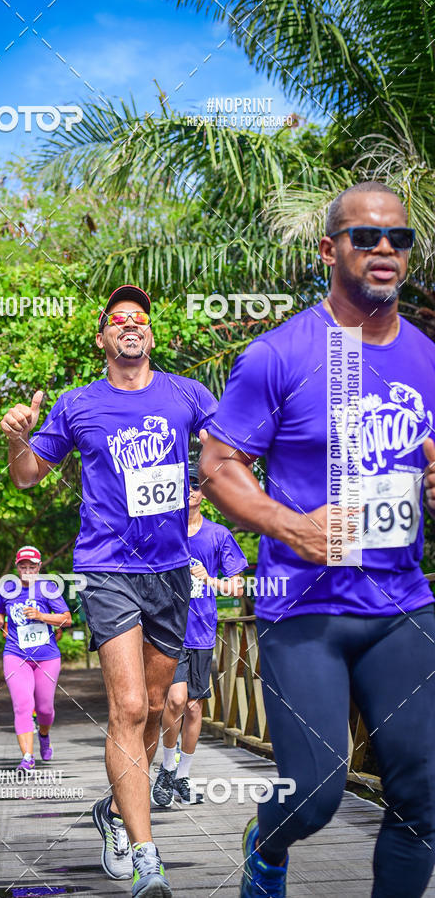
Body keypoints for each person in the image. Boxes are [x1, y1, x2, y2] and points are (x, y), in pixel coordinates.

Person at [199, 181, 435, 898]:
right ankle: (266, 843)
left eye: (399, 237)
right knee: (314, 792)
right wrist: (288, 523)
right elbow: (218, 464)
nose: (385, 248)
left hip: (401, 603)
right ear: (330, 249)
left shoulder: (427, 356)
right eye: (366, 236)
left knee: (424, 797)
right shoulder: (279, 354)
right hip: (304, 607)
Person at [0, 284, 217, 897]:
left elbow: (230, 453)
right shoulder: (78, 404)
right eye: (118, 318)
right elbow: (26, 477)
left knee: (155, 706)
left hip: (170, 572)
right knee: (127, 706)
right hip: (107, 569)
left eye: (139, 318)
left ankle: (117, 811)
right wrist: (17, 435)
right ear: (102, 338)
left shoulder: (187, 394)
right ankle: (148, 860)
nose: (130, 324)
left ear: (150, 333)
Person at [152, 464, 247, 807]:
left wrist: (209, 579)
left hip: (203, 631)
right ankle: (166, 767)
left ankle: (183, 775)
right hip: (169, 630)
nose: (189, 490)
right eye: (184, 485)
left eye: (195, 485)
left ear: (204, 492)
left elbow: (237, 587)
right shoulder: (164, 531)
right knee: (175, 701)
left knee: (194, 709)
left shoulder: (218, 535)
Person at [0, 545, 72, 769]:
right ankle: (27, 757)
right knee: (23, 705)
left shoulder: (48, 588)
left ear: (39, 567)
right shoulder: (8, 588)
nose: (27, 571)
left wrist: (41, 616)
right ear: (17, 567)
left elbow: (67, 619)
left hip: (46, 657)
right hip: (15, 654)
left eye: (32, 567)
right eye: (23, 566)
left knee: (45, 709)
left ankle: (44, 735)